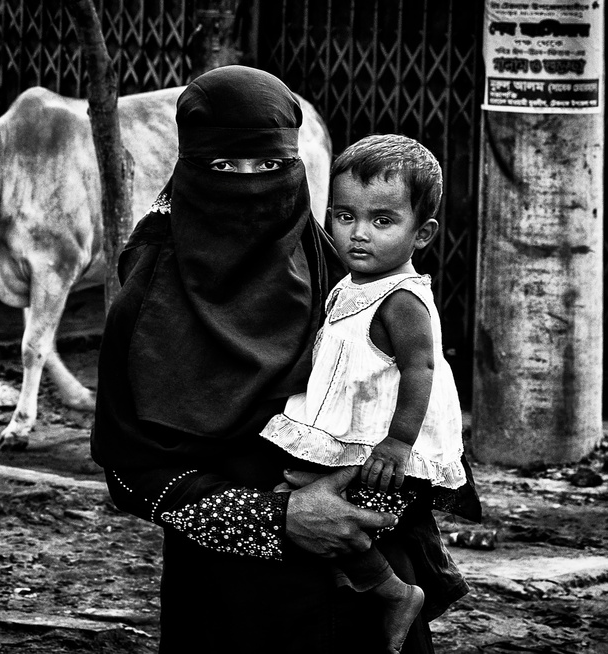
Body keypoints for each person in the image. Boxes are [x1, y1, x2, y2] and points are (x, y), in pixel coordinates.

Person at [90, 65, 474, 654]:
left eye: (270, 167)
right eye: (224, 167)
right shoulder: (147, 301)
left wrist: (370, 487)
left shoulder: (327, 263)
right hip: (232, 603)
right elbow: (129, 473)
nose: (250, 185)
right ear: (189, 169)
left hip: (363, 595)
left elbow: (404, 394)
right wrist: (277, 518)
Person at [260, 133, 480, 652]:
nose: (359, 234)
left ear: (421, 233)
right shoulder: (350, 282)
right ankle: (356, 577)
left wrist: (398, 443)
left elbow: (422, 370)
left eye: (383, 221)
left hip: (378, 443)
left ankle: (393, 591)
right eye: (344, 216)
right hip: (348, 431)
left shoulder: (400, 299)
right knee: (297, 496)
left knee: (311, 500)